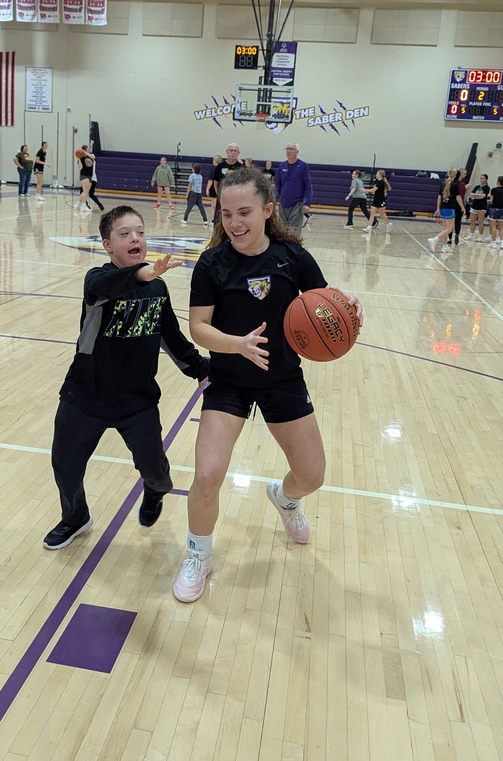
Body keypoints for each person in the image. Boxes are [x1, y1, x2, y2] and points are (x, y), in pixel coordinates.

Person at [172, 167, 363, 602]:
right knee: (206, 477)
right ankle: (198, 553)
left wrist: (350, 307)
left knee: (312, 476)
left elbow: (326, 306)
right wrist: (236, 345)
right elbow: (198, 328)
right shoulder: (212, 263)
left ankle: (285, 498)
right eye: (226, 213)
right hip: (228, 381)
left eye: (244, 212)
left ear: (268, 210)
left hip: (282, 379)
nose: (234, 223)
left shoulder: (292, 258)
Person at [43, 205, 210, 550]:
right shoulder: (97, 281)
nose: (135, 238)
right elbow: (110, 284)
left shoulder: (157, 290)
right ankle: (76, 518)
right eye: (124, 234)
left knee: (156, 472)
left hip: (137, 401)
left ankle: (155, 492)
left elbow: (172, 338)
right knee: (65, 467)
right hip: (84, 397)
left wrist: (201, 369)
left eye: (140, 232)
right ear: (107, 245)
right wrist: (140, 275)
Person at [274, 142, 313, 235]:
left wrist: (307, 203)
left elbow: (308, 185)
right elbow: (278, 186)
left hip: (297, 203)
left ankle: (294, 249)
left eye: (291, 149)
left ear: (297, 152)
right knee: (282, 230)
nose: (288, 151)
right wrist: (274, 199)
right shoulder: (282, 165)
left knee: (293, 232)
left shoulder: (303, 166)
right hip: (283, 203)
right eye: (287, 149)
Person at [427, 167, 466, 253]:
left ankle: (444, 246)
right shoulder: (455, 185)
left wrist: (438, 208)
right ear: (455, 175)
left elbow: (439, 197)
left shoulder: (443, 184)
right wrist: (463, 207)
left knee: (445, 228)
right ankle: (434, 240)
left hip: (443, 207)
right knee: (450, 228)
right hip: (450, 208)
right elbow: (458, 198)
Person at [212, 143, 243, 220]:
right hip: (222, 199)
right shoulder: (220, 166)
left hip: (236, 200)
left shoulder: (241, 168)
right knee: (219, 220)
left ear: (238, 153)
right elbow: (216, 182)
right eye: (231, 150)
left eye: (235, 151)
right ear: (227, 152)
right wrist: (219, 195)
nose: (233, 152)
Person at [463, 174, 490, 242]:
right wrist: (477, 195)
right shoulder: (477, 187)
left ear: (486, 179)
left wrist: (476, 196)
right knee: (472, 221)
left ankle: (481, 236)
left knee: (480, 222)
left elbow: (482, 196)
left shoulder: (487, 188)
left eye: (483, 178)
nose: (481, 179)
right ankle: (471, 234)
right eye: (481, 178)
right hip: (474, 206)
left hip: (482, 207)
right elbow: (471, 195)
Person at [181, 163, 208, 228]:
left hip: (193, 193)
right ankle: (205, 220)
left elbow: (190, 185)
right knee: (201, 207)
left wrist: (187, 194)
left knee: (189, 207)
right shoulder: (200, 176)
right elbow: (200, 185)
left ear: (194, 169)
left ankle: (185, 219)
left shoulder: (192, 176)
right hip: (199, 193)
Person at [86, 140, 104, 212]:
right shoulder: (94, 160)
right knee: (91, 194)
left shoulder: (88, 161)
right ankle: (100, 205)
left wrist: (91, 145)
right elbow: (90, 153)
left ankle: (86, 206)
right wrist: (91, 145)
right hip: (94, 179)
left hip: (89, 179)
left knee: (83, 193)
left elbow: (89, 153)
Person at [487, 175, 503, 250]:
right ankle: (502, 243)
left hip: (495, 209)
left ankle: (493, 243)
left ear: (498, 182)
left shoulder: (494, 189)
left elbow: (491, 199)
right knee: (501, 228)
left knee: (493, 227)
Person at [75, 147, 93, 214]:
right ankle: (83, 206)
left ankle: (78, 204)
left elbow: (93, 157)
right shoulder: (81, 158)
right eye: (87, 149)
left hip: (90, 175)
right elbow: (80, 167)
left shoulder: (90, 155)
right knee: (85, 191)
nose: (88, 150)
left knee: (86, 191)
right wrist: (79, 157)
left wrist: (86, 153)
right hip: (84, 175)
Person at [205, 154, 222, 227]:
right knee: (217, 205)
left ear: (215, 160)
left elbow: (211, 179)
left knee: (214, 206)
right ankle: (215, 220)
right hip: (220, 188)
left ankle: (214, 220)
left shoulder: (214, 168)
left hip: (214, 189)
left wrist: (207, 188)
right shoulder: (221, 168)